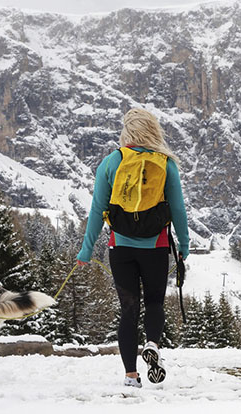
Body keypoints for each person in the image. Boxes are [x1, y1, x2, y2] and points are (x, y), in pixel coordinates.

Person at [76, 108, 190, 388]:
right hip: (156, 246)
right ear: (153, 130)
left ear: (127, 132)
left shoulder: (111, 162)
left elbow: (96, 211)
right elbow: (177, 209)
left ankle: (130, 376)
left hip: (121, 248)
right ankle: (151, 343)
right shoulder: (165, 164)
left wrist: (86, 252)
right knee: (154, 303)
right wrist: (184, 245)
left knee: (128, 309)